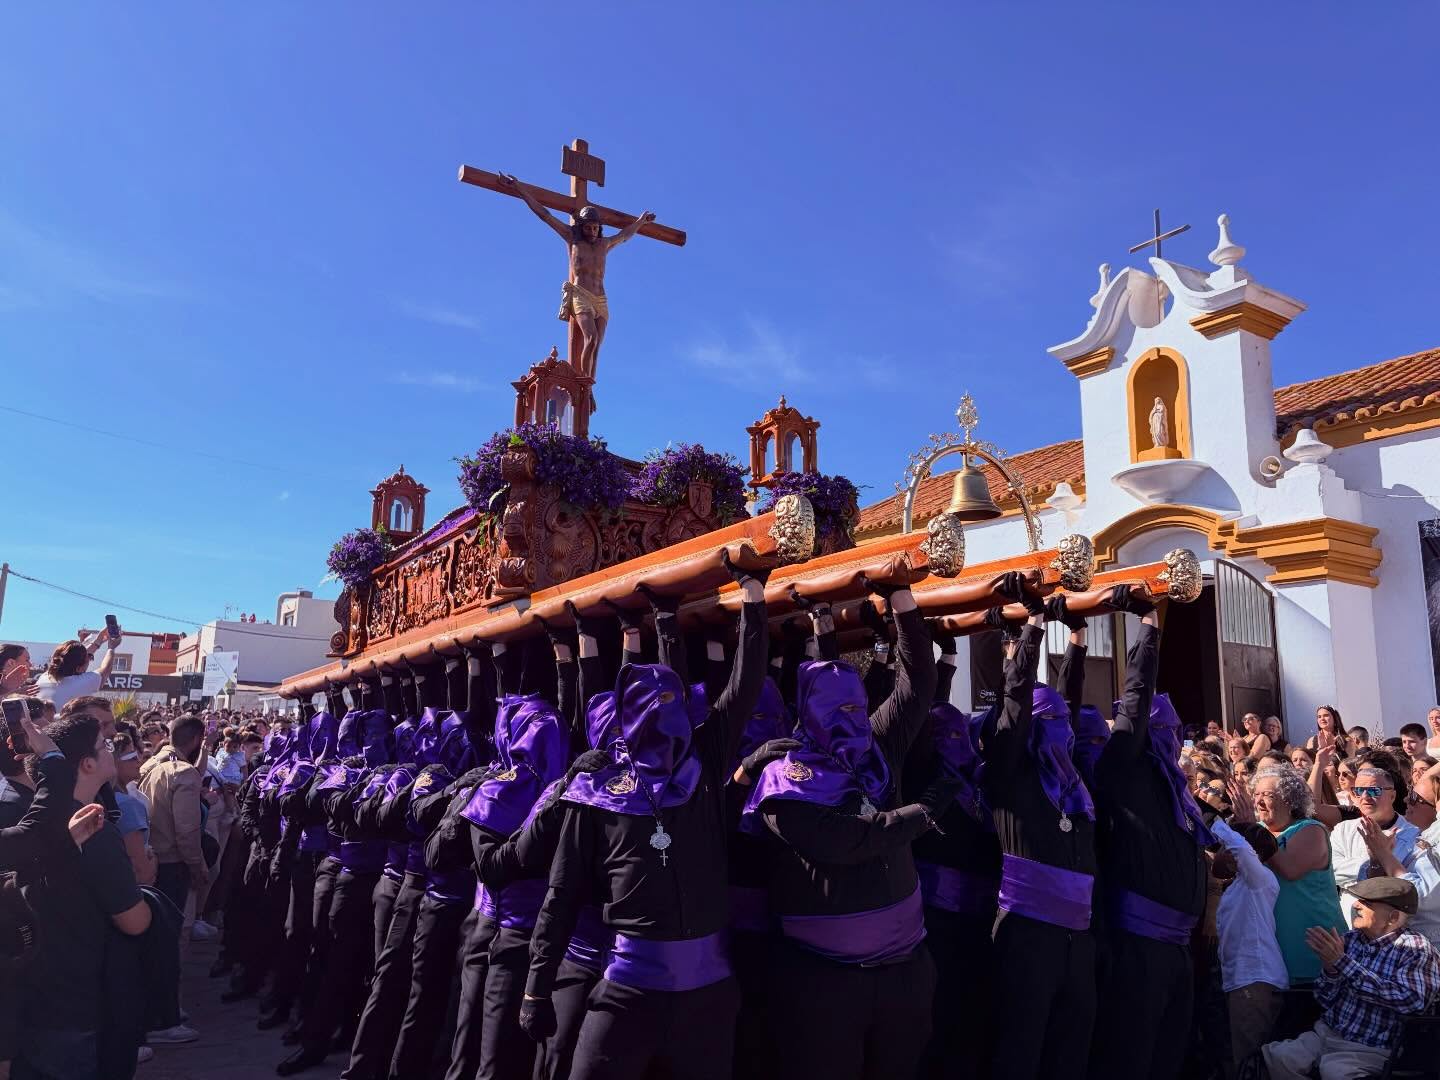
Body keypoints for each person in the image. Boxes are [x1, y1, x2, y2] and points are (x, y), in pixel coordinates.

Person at [520, 551, 769, 1080]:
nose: (666, 716)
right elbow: (560, 895)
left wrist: (752, 597)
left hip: (709, 994)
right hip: (627, 990)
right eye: (650, 706)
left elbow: (743, 687)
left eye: (674, 701)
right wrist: (536, 986)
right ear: (628, 718)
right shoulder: (596, 790)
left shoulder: (704, 764)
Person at [740, 571, 944, 1080]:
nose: (850, 719)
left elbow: (917, 684)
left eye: (856, 707)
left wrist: (902, 599)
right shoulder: (785, 779)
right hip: (824, 983)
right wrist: (923, 812)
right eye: (836, 711)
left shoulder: (877, 746)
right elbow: (845, 843)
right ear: (807, 713)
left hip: (904, 972)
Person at [1089, 598, 1211, 1080]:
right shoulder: (1123, 767)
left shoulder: (1175, 787)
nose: (1169, 735)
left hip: (1179, 946)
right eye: (1161, 728)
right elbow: (1138, 700)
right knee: (1133, 1057)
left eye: (1173, 728)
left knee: (1170, 1056)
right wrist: (1148, 628)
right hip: (1139, 945)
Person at [18, 701, 152, 1080]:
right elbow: (134, 922)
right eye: (104, 745)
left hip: (39, 1000)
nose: (112, 744)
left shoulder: (38, 820)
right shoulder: (92, 827)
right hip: (76, 1006)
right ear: (87, 764)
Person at [1261, 877, 1440, 1080]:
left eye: (1367, 903)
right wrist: (1331, 971)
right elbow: (1324, 999)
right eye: (1359, 900)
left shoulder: (1416, 948)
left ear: (1393, 917)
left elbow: (1412, 1001)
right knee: (1279, 1057)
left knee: (1335, 1072)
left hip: (1370, 1047)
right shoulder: (1350, 940)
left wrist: (1342, 963)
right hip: (1326, 1033)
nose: (1356, 905)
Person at [1237, 763, 1344, 984]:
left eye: (1266, 794)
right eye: (1255, 794)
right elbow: (1222, 868)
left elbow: (1289, 869)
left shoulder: (1311, 830)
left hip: (1310, 945)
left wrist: (1251, 830)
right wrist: (1238, 830)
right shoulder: (1256, 828)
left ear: (1289, 798)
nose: (1258, 801)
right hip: (1268, 948)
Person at [1211, 790, 1288, 1077]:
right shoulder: (1241, 885)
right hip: (1242, 980)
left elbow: (1241, 850)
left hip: (1255, 979)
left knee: (1249, 1058)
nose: (1225, 853)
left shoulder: (1261, 880)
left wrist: (1216, 823)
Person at [1331, 756, 1420, 928]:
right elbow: (1332, 871)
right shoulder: (1342, 830)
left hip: (1392, 930)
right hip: (1348, 925)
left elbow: (1405, 885)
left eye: (1374, 791)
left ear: (1392, 795)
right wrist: (1375, 861)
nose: (1365, 797)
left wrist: (1358, 875)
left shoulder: (1413, 835)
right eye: (1359, 790)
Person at [137, 712, 208, 916]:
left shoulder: (152, 763)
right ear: (196, 740)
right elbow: (186, 829)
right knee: (172, 928)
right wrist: (196, 866)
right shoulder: (183, 773)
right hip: (172, 864)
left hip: (150, 856)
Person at [33, 632, 121, 713]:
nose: (90, 660)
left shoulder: (44, 677)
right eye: (89, 658)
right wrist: (111, 648)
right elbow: (106, 669)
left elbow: (70, 656)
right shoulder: (83, 682)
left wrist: (98, 642)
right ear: (78, 668)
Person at [112, 733, 157, 887]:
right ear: (113, 763)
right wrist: (153, 860)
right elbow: (143, 874)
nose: (139, 761)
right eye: (131, 757)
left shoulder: (107, 798)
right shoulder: (127, 805)